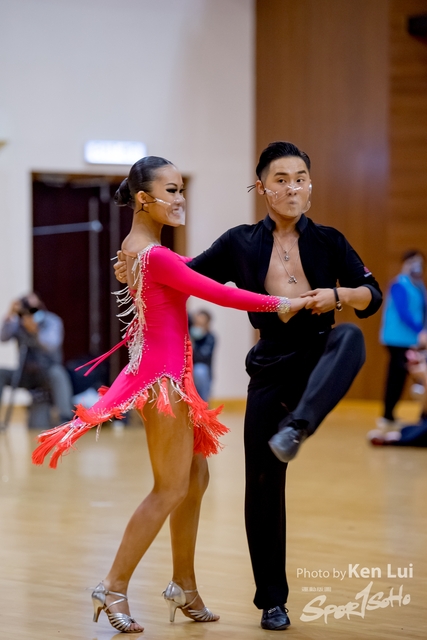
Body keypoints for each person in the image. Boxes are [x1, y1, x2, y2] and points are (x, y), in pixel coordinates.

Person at [31, 156, 306, 634]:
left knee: (194, 479)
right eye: (172, 191)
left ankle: (184, 584)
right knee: (170, 488)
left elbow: (199, 274)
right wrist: (280, 303)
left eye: (182, 189)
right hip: (163, 384)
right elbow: (215, 291)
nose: (181, 199)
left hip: (172, 379)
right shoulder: (153, 254)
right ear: (144, 198)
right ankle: (112, 585)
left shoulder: (142, 249)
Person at [114, 142, 382, 630]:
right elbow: (186, 275)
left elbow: (372, 295)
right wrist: (136, 267)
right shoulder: (240, 242)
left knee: (350, 339)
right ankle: (272, 601)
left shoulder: (329, 240)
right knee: (260, 483)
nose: (292, 187)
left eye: (300, 178)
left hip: (319, 355)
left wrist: (339, 295)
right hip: (270, 366)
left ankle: (298, 426)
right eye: (281, 179)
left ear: (310, 185)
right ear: (262, 187)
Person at [0, 293, 73, 425]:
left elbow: (51, 345)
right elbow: (3, 337)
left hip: (46, 373)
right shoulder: (18, 322)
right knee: (1, 373)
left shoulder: (52, 321)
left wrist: (36, 331)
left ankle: (65, 419)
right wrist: (10, 314)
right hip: (26, 373)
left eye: (34, 308)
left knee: (58, 373)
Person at [376, 250, 427, 432]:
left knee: (405, 377)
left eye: (419, 262)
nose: (416, 266)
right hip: (397, 339)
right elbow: (404, 312)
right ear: (404, 264)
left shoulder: (419, 286)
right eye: (412, 262)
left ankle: (393, 415)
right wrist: (420, 331)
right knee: (396, 378)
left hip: (413, 340)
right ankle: (387, 416)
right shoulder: (399, 284)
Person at [189, 310, 215, 402]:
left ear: (207, 324)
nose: (197, 327)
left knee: (199, 371)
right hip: (187, 369)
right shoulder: (188, 336)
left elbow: (202, 357)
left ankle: (203, 403)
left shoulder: (210, 338)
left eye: (201, 324)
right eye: (196, 323)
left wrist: (192, 345)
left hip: (202, 372)